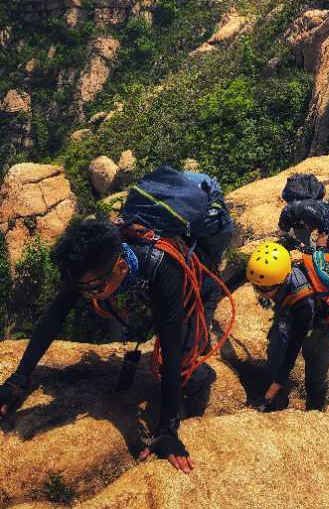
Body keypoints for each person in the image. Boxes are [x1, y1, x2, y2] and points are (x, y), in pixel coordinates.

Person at [0, 167, 235, 475]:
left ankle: (202, 376)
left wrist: (167, 429)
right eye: (83, 289)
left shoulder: (163, 268)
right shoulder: (92, 263)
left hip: (196, 283)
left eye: (95, 288)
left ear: (122, 267)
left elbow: (172, 341)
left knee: (181, 367)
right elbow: (55, 315)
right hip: (146, 280)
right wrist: (18, 380)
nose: (88, 295)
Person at [246, 242, 329, 412]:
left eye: (263, 289)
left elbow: (293, 349)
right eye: (256, 286)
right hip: (289, 309)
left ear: (280, 282)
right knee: (275, 353)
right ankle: (278, 403)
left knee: (316, 370)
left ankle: (315, 410)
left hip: (319, 324)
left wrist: (276, 384)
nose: (258, 292)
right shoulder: (276, 270)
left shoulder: (304, 302)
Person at [279, 190, 329, 255]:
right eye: (308, 225)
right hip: (298, 224)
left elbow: (322, 237)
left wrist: (320, 252)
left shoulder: (324, 214)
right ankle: (295, 233)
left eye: (312, 225)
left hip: (322, 215)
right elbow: (282, 235)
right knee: (309, 250)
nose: (310, 228)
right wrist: (297, 243)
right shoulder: (287, 213)